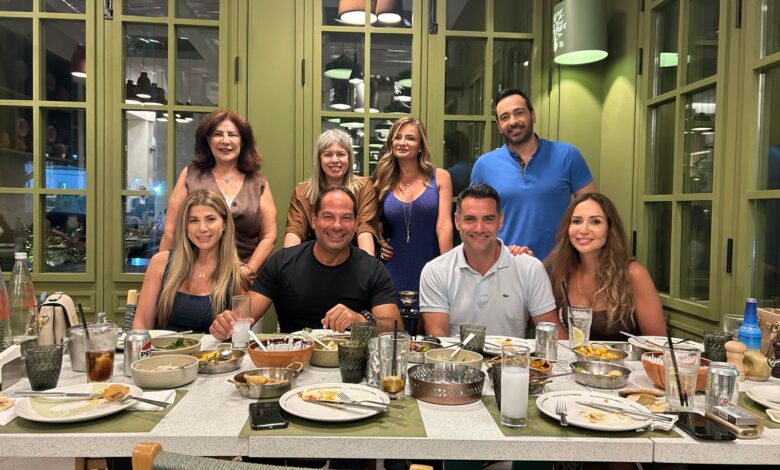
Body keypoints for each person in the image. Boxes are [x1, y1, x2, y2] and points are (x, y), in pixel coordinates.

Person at [209, 185, 401, 339]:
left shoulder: (373, 269)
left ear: (356, 223)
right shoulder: (282, 263)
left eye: (346, 218)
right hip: (294, 363)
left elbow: (396, 330)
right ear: (314, 220)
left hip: (352, 367)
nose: (337, 225)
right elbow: (241, 318)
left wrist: (360, 321)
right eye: (328, 217)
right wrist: (226, 324)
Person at [419, 184, 564, 338]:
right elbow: (438, 340)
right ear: (457, 221)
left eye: (488, 219)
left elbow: (553, 336)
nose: (479, 228)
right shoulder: (436, 271)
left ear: (500, 221)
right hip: (455, 355)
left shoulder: (530, 268)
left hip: (512, 354)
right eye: (470, 219)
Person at [470, 88, 596, 261]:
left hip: (560, 267)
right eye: (505, 117)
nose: (513, 121)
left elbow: (593, 211)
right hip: (504, 266)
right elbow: (475, 222)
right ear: (499, 126)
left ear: (533, 115)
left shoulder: (567, 155)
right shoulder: (484, 166)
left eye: (519, 113)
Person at [159, 109, 277, 278]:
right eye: (218, 134)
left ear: (243, 141)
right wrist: (163, 276)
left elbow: (269, 236)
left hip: (244, 278)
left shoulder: (258, 183)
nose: (225, 141)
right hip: (193, 277)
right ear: (208, 140)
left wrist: (246, 272)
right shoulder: (189, 175)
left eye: (233, 135)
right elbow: (170, 232)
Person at [545, 192, 666, 340]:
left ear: (610, 228)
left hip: (626, 356)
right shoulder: (563, 272)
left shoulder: (634, 273)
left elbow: (657, 342)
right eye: (576, 221)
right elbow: (543, 319)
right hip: (575, 356)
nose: (583, 230)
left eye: (595, 221)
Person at [134, 190, 249, 332]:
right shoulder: (160, 263)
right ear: (186, 226)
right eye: (193, 221)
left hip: (212, 347)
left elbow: (239, 335)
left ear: (224, 224)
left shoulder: (238, 275)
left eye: (210, 219)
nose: (202, 228)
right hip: (161, 347)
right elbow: (141, 325)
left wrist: (227, 328)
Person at [373, 117, 453, 307]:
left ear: (420, 146)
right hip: (393, 268)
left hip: (431, 265)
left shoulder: (440, 177)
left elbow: (444, 226)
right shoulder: (382, 182)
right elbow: (367, 221)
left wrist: (448, 269)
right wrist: (378, 241)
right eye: (397, 137)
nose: (402, 142)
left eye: (410, 138)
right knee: (393, 323)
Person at [284, 129, 378, 255]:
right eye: (328, 155)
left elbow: (365, 229)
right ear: (319, 159)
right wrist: (287, 262)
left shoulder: (363, 187)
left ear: (349, 158)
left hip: (353, 258)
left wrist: (366, 264)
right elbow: (295, 230)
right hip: (313, 259)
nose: (335, 160)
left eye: (341, 154)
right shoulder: (302, 191)